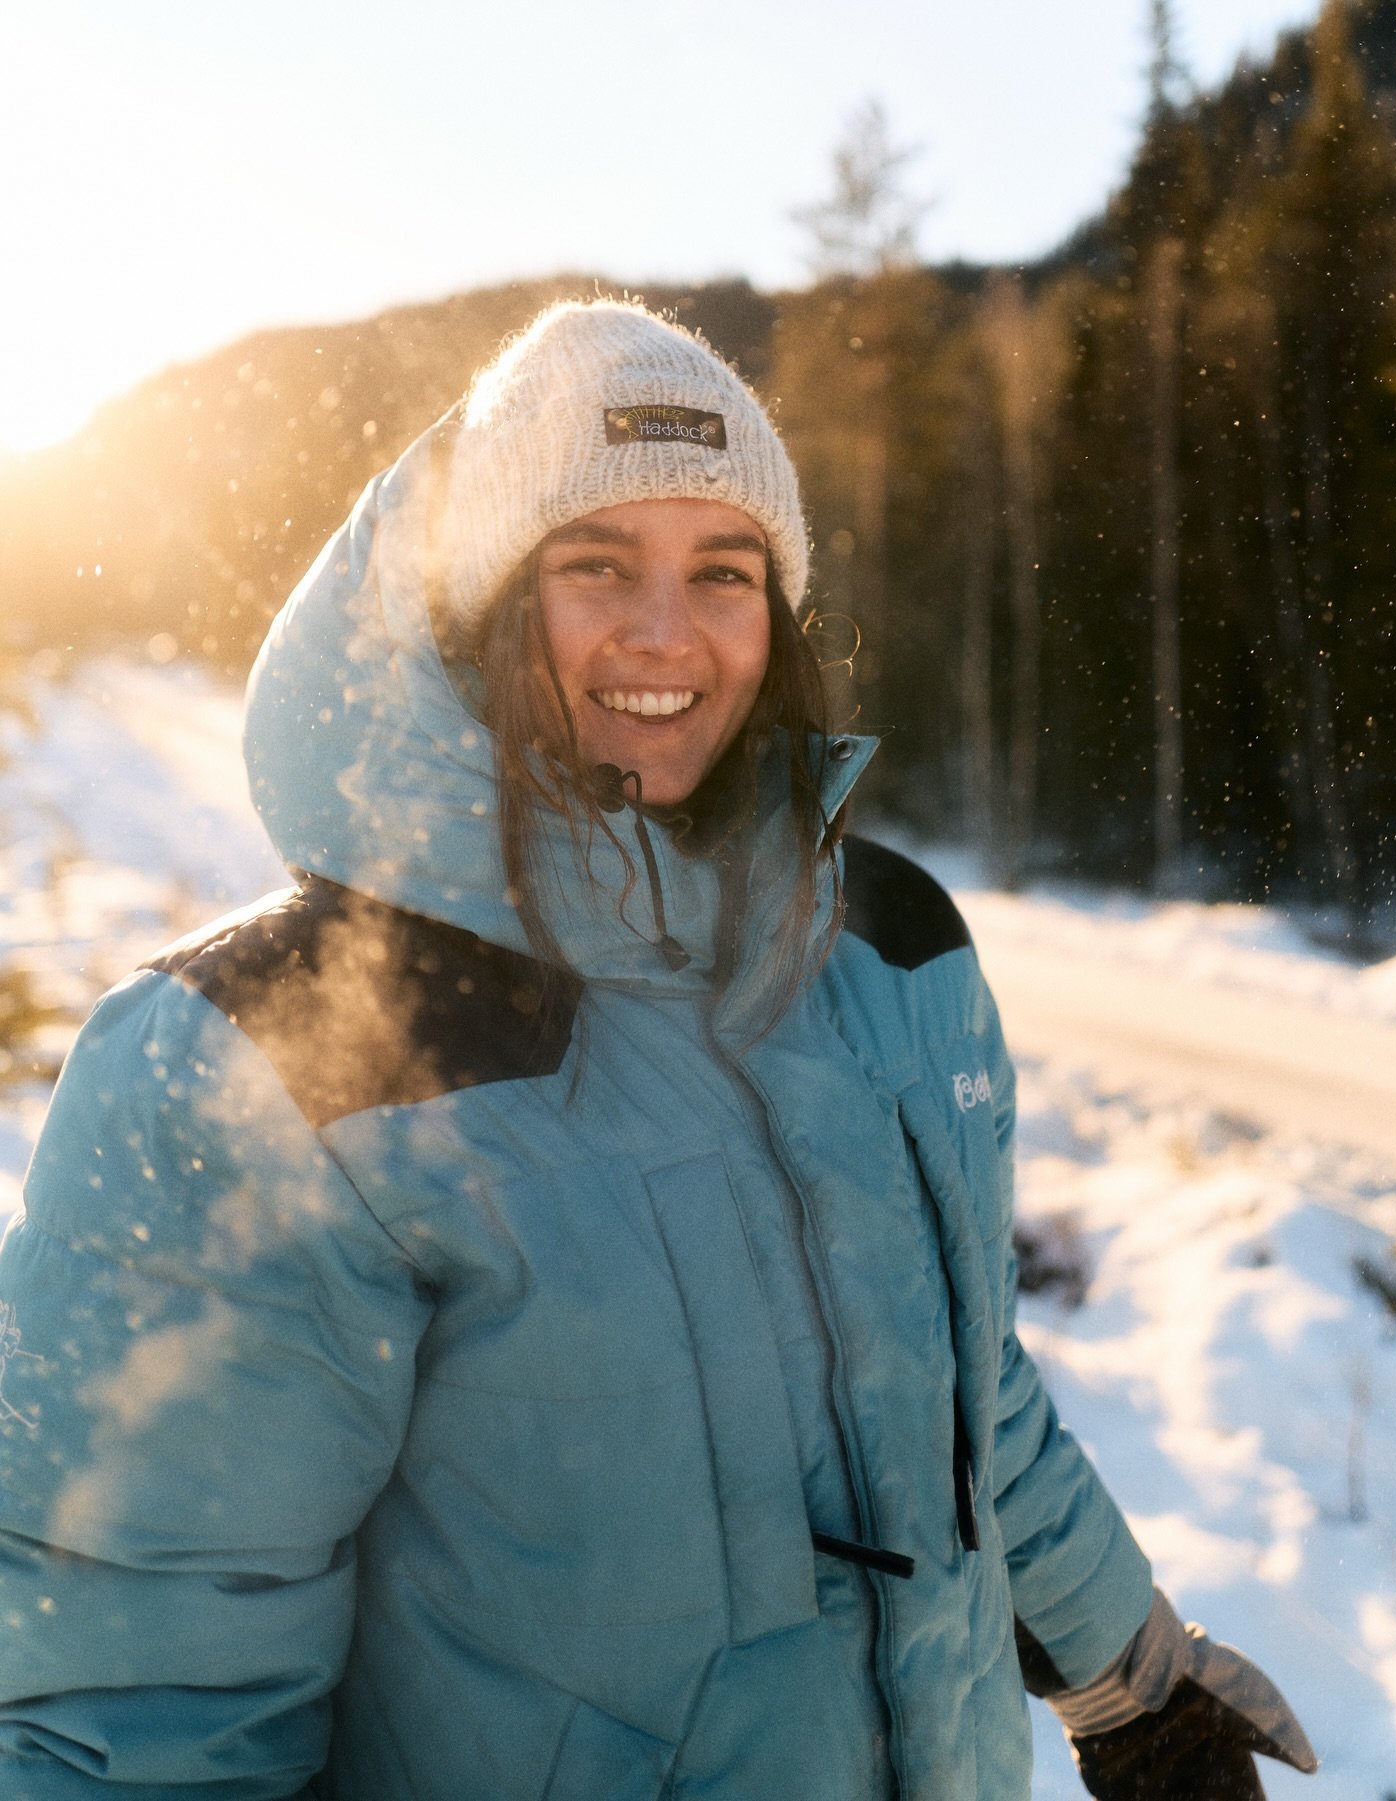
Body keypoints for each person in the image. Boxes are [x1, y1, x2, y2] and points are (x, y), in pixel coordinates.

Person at [0, 301, 1317, 1799]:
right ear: (482, 603)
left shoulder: (890, 950)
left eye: (725, 570)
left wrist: (1126, 1675)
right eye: (596, 564)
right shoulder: (271, 1055)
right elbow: (140, 1707)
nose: (668, 631)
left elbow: (970, 1393)